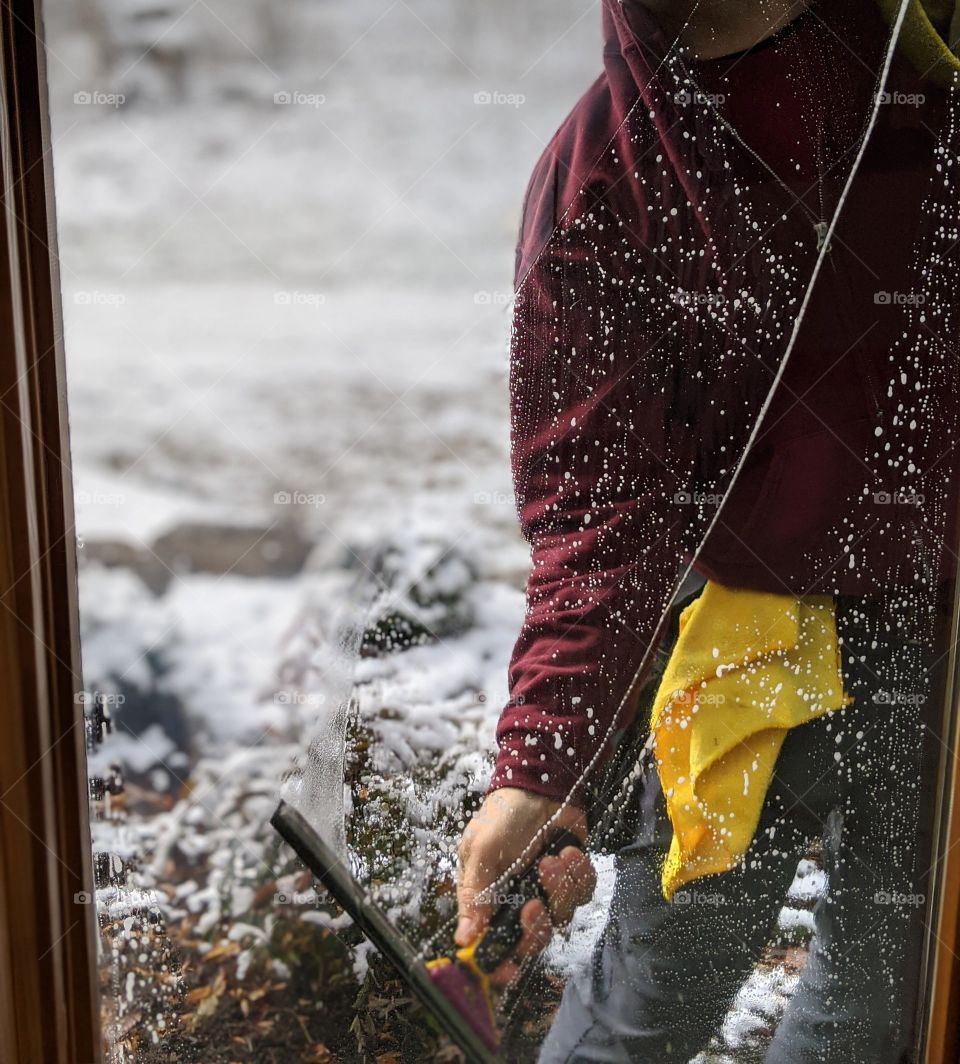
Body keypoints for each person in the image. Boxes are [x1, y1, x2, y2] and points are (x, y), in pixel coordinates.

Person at [455, 1, 960, 1060]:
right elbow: (600, 513)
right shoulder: (602, 183)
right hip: (746, 657)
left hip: (936, 639)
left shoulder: (918, 63)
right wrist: (543, 768)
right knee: (648, 1010)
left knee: (885, 997)